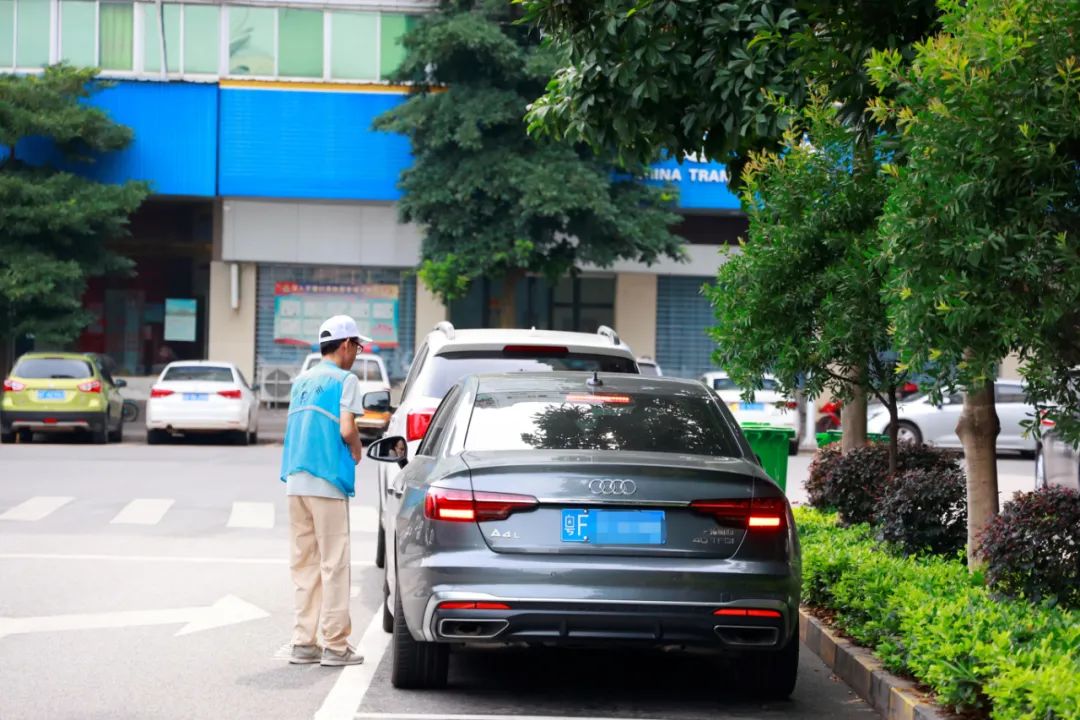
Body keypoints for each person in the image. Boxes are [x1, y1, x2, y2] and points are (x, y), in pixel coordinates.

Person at [280, 315, 371, 667]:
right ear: (346, 345)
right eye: (357, 347)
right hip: (327, 481)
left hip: (296, 481)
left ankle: (304, 642)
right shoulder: (346, 379)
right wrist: (358, 448)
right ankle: (335, 645)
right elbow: (347, 427)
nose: (357, 354)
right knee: (334, 563)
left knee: (305, 564)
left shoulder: (302, 380)